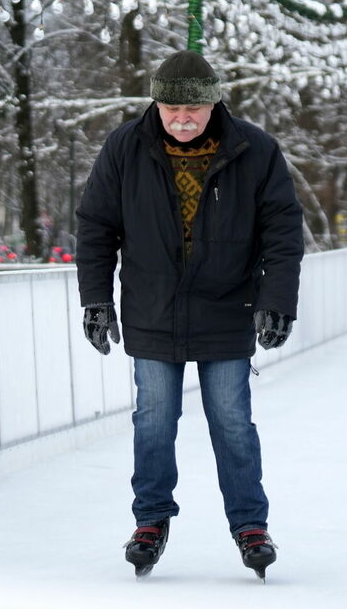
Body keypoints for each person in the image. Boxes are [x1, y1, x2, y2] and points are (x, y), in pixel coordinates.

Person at [75, 50, 303, 579]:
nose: (182, 119)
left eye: (193, 109)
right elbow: (96, 227)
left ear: (213, 103)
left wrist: (277, 301)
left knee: (232, 422)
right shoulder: (125, 148)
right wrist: (96, 298)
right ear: (156, 104)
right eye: (172, 109)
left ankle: (251, 526)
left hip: (227, 308)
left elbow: (282, 233)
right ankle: (150, 521)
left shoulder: (255, 150)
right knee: (154, 422)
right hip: (153, 309)